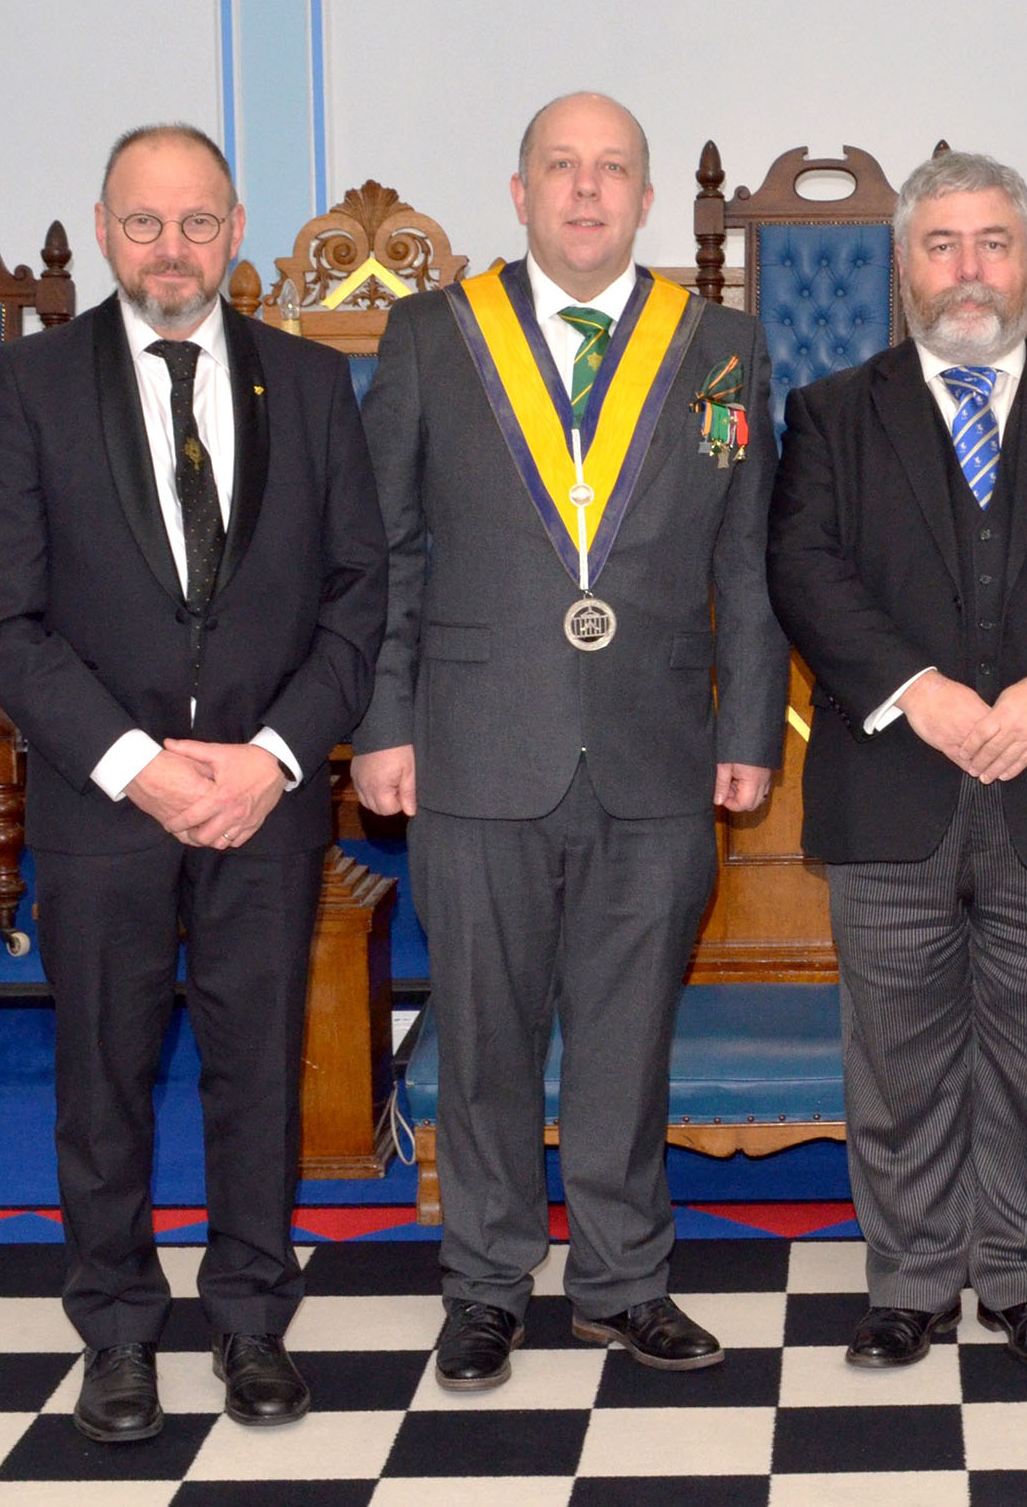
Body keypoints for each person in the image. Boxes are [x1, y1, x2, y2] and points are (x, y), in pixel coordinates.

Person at [351, 91, 787, 1389]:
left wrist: (751, 723)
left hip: (659, 745)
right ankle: (485, 1285)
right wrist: (378, 723)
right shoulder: (434, 336)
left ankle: (622, 1279)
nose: (587, 192)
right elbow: (385, 552)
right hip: (473, 740)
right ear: (520, 190)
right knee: (483, 1032)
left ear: (648, 200)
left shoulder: (718, 342)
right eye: (562, 168)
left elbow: (747, 556)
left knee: (628, 1029)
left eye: (613, 171)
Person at [0, 124, 386, 1440]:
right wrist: (141, 767)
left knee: (260, 1068)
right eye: (145, 224)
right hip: (105, 801)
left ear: (237, 225)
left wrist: (268, 759)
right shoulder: (31, 381)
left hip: (265, 798)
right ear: (102, 228)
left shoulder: (309, 385)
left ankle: (251, 1320)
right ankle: (121, 1332)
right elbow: (2, 617)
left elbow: (360, 593)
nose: (172, 249)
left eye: (197, 222)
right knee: (104, 1074)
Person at [768, 151, 1027, 1369]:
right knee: (895, 1059)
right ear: (903, 269)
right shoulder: (834, 412)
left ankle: (1026, 1275)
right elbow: (804, 570)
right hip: (894, 782)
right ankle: (906, 1281)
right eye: (941, 245)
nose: (968, 269)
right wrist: (920, 692)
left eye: (992, 243)